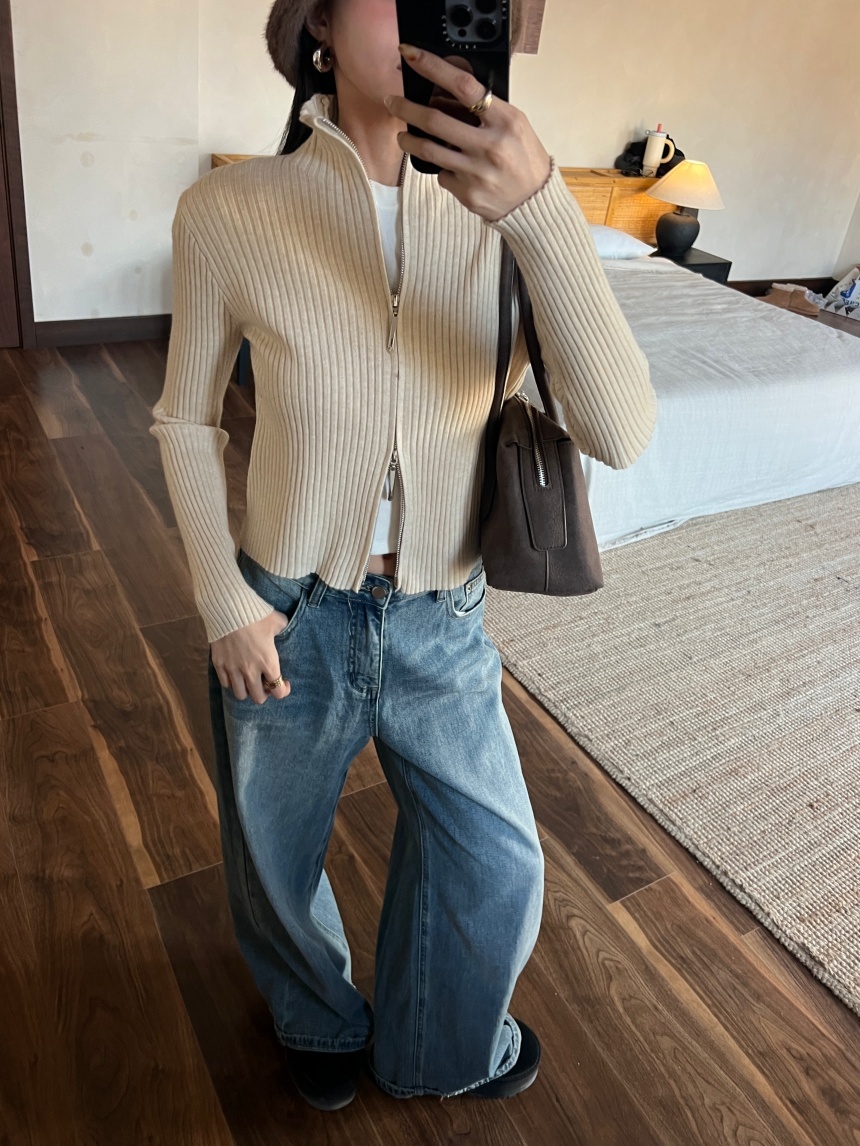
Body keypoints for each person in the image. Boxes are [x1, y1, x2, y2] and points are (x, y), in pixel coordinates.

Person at [149, 0, 657, 1113]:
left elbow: (620, 432)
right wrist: (223, 599)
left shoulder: (513, 214)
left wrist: (543, 213)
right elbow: (185, 417)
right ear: (321, 28)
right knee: (272, 855)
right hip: (287, 612)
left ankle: (432, 1046)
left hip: (442, 613)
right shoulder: (229, 209)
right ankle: (313, 1016)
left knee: (496, 860)